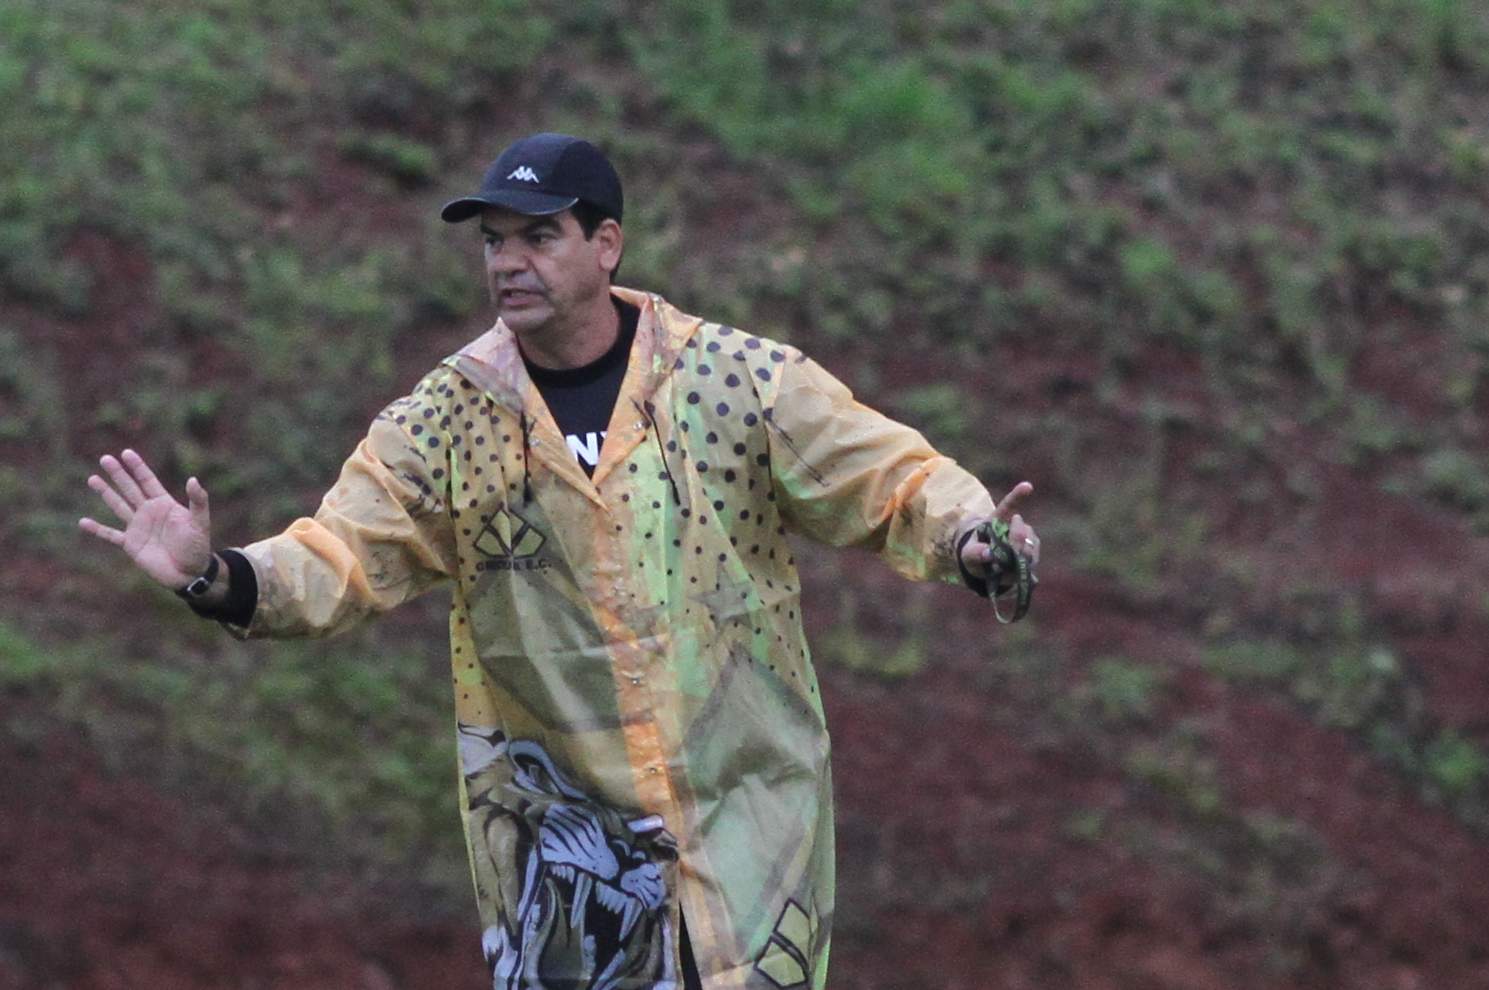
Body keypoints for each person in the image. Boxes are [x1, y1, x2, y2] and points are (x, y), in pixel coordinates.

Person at [80, 132, 1041, 990]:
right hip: (566, 861)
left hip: (747, 820)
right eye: (493, 241)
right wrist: (218, 576)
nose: (508, 262)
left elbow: (889, 477)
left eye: (538, 236)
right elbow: (338, 557)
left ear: (605, 244)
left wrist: (970, 538)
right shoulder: (445, 421)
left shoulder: (734, 380)